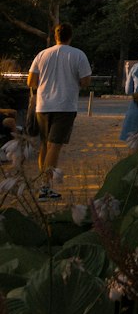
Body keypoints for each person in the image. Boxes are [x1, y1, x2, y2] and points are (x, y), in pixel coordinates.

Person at [27, 23, 92, 201]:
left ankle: (44, 184)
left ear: (55, 36)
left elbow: (31, 81)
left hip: (43, 105)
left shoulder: (42, 55)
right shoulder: (78, 55)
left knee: (44, 145)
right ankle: (44, 187)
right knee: (55, 146)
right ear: (70, 36)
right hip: (65, 106)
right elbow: (86, 80)